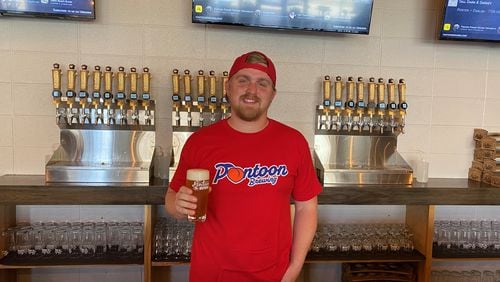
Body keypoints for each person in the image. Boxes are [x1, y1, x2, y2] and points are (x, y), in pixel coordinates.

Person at [165, 51, 322, 282]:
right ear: (228, 87)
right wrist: (178, 206)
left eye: (262, 83)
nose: (252, 90)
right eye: (243, 80)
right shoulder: (200, 141)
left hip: (273, 274)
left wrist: (294, 268)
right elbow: (171, 196)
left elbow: (306, 208)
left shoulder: (294, 142)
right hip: (211, 272)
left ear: (272, 94)